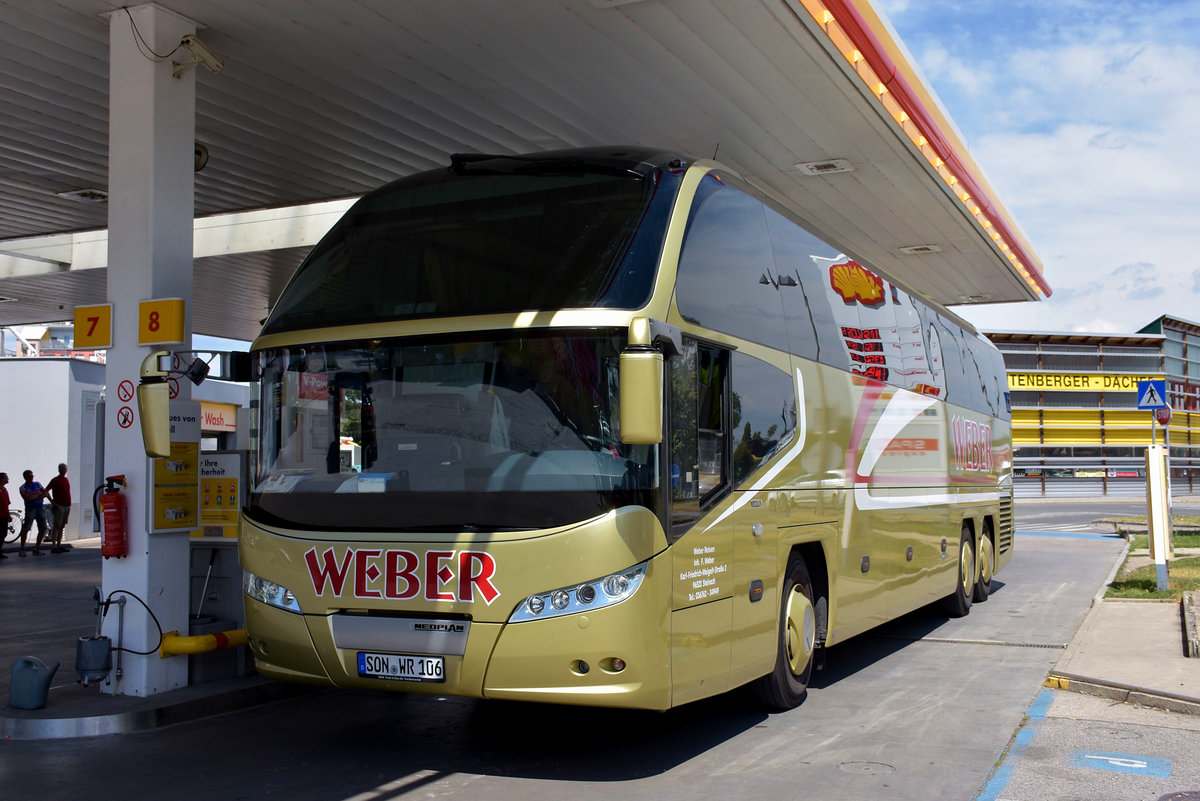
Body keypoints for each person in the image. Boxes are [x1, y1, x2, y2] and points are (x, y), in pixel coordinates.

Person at [18, 469, 48, 556]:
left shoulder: (37, 484)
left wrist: (35, 496)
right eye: (29, 476)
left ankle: (37, 548)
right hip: (30, 509)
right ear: (25, 477)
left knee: (43, 528)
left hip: (40, 508)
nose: (31, 477)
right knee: (26, 528)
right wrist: (40, 496)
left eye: (32, 476)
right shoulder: (23, 487)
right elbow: (28, 498)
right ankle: (22, 549)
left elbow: (45, 493)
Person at [45, 463, 71, 554]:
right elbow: (46, 490)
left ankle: (59, 545)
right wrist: (53, 502)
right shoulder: (55, 480)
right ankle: (53, 546)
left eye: (65, 469)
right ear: (59, 470)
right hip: (59, 506)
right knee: (57, 526)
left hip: (67, 505)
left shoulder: (66, 479)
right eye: (62, 469)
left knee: (62, 526)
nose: (63, 470)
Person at [0, 472, 10, 560]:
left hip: (4, 515)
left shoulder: (4, 489)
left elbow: (6, 503)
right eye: (6, 477)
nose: (8, 479)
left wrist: (8, 515)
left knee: (3, 533)